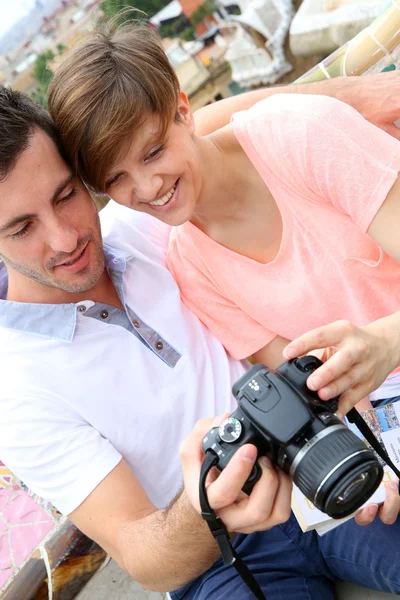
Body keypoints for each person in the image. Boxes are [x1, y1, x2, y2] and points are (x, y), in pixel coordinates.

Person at [0, 49, 397, 600]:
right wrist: (209, 506)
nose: (65, 238)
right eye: (21, 228)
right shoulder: (13, 388)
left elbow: (189, 131)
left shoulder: (138, 219)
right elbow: (146, 559)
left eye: (67, 195)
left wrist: (351, 94)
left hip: (314, 453)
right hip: (216, 556)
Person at [48, 23, 400, 420]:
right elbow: (314, 381)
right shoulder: (191, 270)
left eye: (153, 151)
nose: (148, 187)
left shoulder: (300, 137)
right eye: (116, 178)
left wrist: (386, 341)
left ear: (184, 110)